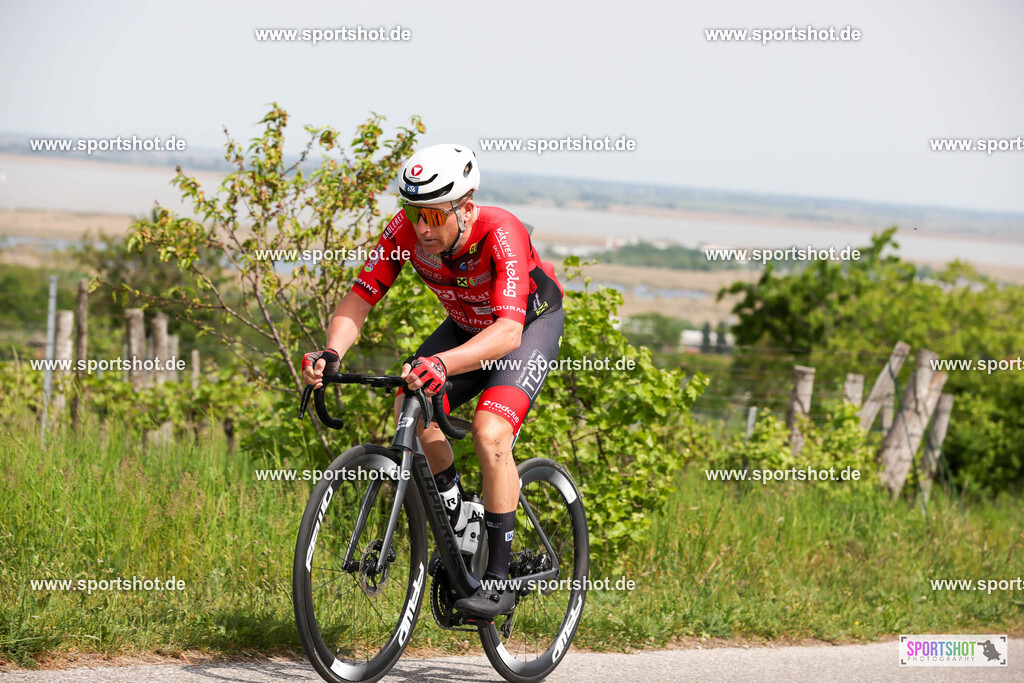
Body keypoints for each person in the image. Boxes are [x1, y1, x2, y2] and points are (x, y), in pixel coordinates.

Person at [301, 143, 564, 618]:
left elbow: (505, 332)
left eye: (434, 216)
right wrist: (331, 352)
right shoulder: (405, 232)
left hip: (523, 328)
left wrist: (442, 364)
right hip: (466, 329)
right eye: (413, 212)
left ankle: (499, 579)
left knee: (490, 432)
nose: (422, 228)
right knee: (411, 403)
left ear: (464, 208)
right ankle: (461, 517)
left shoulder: (499, 231)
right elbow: (358, 300)